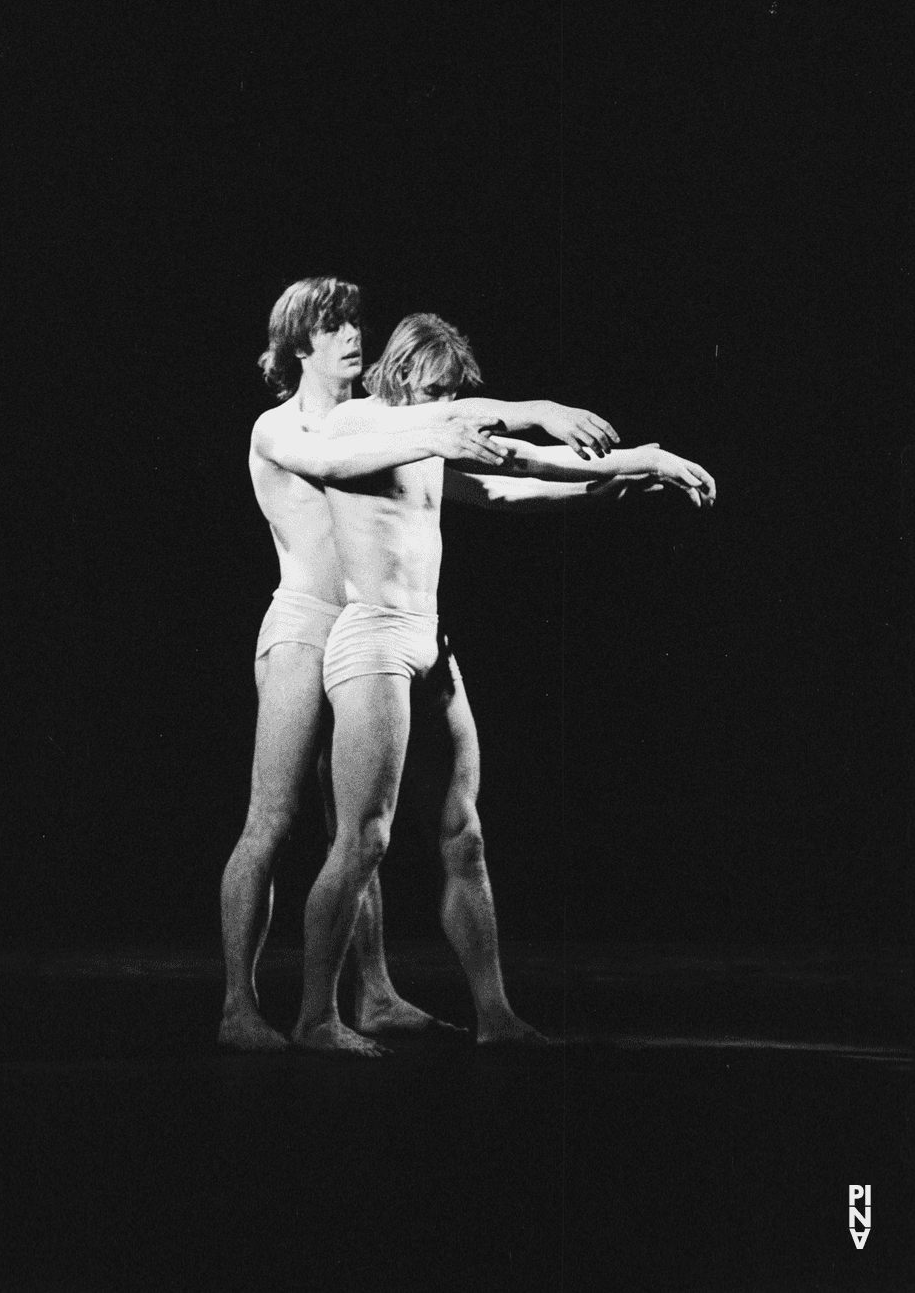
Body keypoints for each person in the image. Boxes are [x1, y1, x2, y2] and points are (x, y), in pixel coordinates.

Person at [292, 312, 716, 1055]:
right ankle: (316, 1017)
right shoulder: (354, 423)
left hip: (429, 645)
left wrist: (629, 470)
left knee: (463, 836)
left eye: (454, 392)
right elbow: (479, 428)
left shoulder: (432, 442)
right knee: (363, 839)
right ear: (401, 373)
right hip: (372, 642)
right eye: (436, 387)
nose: (449, 403)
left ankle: (495, 1016)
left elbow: (510, 481)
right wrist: (540, 411)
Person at [219, 279, 620, 1050]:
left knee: (360, 825)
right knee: (274, 820)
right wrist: (520, 413)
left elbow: (481, 464)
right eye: (332, 327)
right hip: (310, 622)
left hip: (380, 623)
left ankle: (372, 994)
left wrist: (622, 463)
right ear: (298, 343)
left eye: (353, 324)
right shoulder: (284, 429)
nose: (351, 337)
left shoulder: (384, 421)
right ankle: (241, 1007)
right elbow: (353, 455)